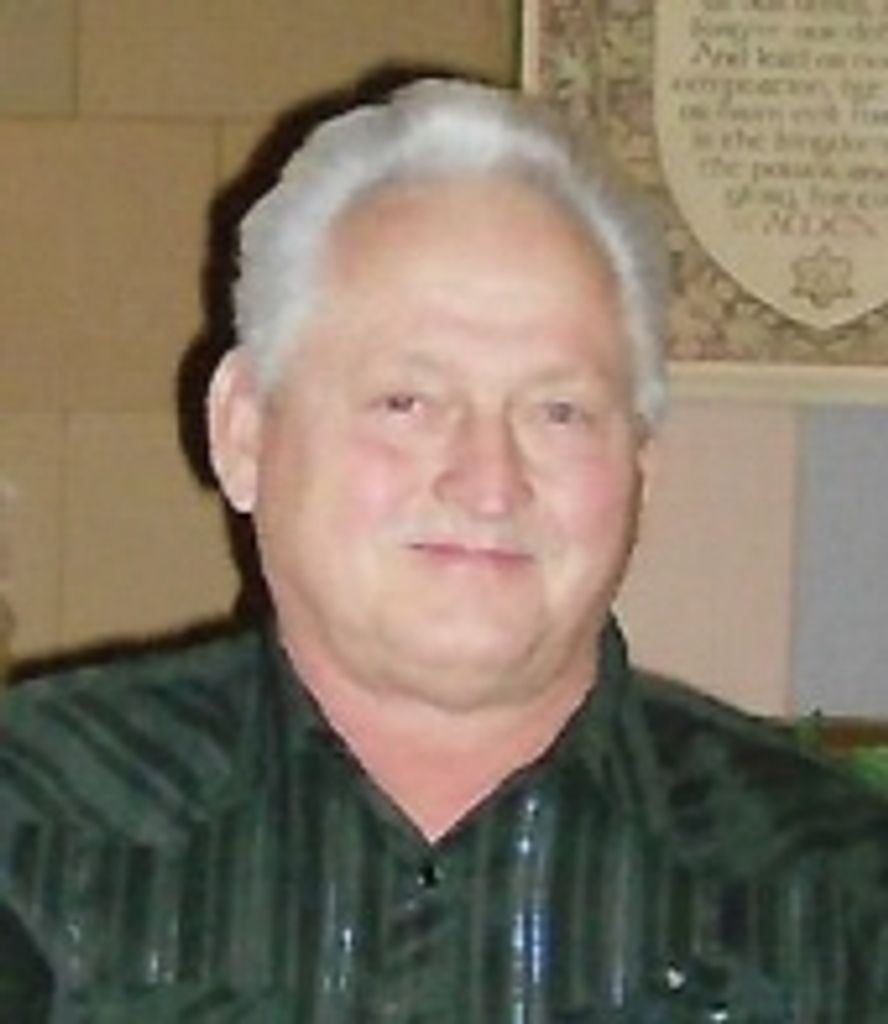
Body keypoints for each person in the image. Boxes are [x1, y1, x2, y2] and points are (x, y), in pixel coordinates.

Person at [2, 78, 887, 1022]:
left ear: (642, 469)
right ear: (245, 432)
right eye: (407, 403)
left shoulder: (838, 889)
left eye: (559, 411)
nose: (488, 483)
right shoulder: (29, 830)